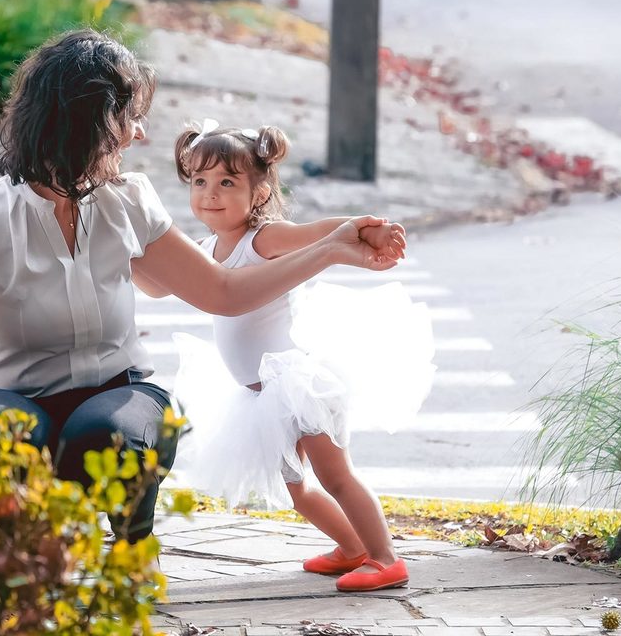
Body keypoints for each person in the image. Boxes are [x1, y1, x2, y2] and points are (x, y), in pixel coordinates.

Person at [0, 31, 405, 543]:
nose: (139, 134)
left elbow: (223, 292)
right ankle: (18, 559)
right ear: (89, 121)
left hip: (120, 389)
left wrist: (331, 247)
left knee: (106, 435)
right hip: (15, 395)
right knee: (4, 432)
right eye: (130, 116)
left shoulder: (128, 200)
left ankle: (133, 559)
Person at [167, 118, 436, 592]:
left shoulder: (262, 238)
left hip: (298, 385)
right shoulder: (207, 248)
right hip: (260, 396)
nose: (210, 194)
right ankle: (351, 548)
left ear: (259, 192)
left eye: (227, 183)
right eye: (200, 181)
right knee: (297, 490)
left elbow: (316, 233)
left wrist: (363, 228)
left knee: (336, 476)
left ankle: (385, 558)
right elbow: (162, 273)